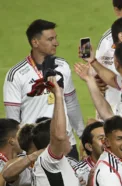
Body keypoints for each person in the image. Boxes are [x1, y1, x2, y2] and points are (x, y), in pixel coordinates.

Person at [3, 19, 85, 159]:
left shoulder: (63, 66)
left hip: (65, 144)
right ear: (35, 42)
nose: (56, 43)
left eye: (55, 38)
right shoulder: (16, 75)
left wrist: (83, 135)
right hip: (34, 148)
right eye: (50, 39)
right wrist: (20, 153)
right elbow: (13, 119)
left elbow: (71, 103)